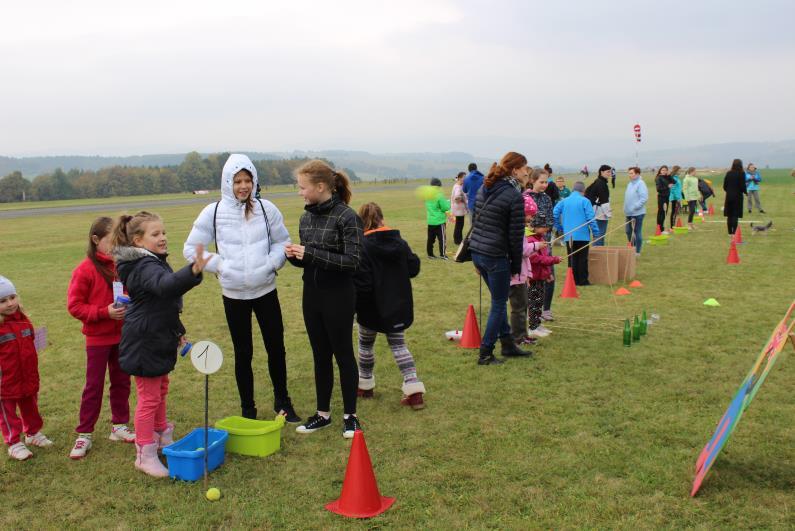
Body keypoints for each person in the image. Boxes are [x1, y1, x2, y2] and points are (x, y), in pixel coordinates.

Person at [183, 154, 299, 423]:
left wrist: (272, 263)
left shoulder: (267, 209)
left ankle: (283, 402)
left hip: (266, 290)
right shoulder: (212, 212)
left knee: (276, 348)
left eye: (247, 180)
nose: (243, 186)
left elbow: (283, 242)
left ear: (254, 181)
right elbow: (191, 249)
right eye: (237, 181)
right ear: (228, 183)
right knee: (243, 353)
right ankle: (248, 408)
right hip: (234, 295)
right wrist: (221, 265)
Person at [113, 211, 208, 477]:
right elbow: (165, 287)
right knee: (149, 397)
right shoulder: (143, 266)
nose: (163, 238)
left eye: (163, 232)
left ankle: (161, 435)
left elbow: (164, 304)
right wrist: (192, 270)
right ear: (138, 240)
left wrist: (178, 331)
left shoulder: (151, 260)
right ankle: (145, 453)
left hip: (158, 336)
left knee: (161, 389)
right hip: (144, 341)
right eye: (156, 234)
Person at [285, 160, 364, 438]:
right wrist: (294, 256)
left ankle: (350, 416)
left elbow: (353, 262)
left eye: (302, 187)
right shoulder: (305, 218)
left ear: (320, 187)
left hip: (339, 296)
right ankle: (323, 414)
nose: (300, 193)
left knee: (343, 354)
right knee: (320, 356)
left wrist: (310, 254)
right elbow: (309, 262)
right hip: (312, 296)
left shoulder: (347, 217)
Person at [66, 217, 135, 460]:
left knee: (122, 381)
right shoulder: (84, 270)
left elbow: (129, 292)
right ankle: (84, 433)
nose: (116, 245)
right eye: (111, 241)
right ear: (95, 240)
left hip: (122, 336)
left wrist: (127, 301)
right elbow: (74, 306)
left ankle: (119, 425)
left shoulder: (121, 266)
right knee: (93, 386)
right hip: (97, 339)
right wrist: (103, 312)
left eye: (119, 240)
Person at [354, 203, 426, 409]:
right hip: (397, 306)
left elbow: (364, 283)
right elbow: (413, 267)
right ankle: (414, 390)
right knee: (399, 346)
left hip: (371, 309)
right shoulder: (399, 242)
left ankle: (365, 385)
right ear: (382, 219)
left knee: (365, 346)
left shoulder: (363, 246)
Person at [469, 152, 532, 365]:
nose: (527, 171)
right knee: (498, 303)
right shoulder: (514, 196)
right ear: (515, 170)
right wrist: (516, 266)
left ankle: (507, 345)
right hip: (496, 255)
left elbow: (474, 218)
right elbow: (515, 236)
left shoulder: (485, 187)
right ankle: (485, 352)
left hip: (479, 252)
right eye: (525, 167)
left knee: (499, 300)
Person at [0, 276, 53, 461]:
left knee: (31, 407)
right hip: (5, 382)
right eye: (2, 301)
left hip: (27, 376)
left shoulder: (24, 321)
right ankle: (13, 442)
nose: (9, 304)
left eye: (12, 297)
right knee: (7, 414)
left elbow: (32, 342)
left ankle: (33, 433)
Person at [508, 194, 541, 347]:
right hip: (516, 276)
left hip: (520, 274)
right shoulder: (517, 229)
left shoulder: (517, 226)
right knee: (519, 308)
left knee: (522, 306)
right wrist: (536, 246)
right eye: (529, 214)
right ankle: (518, 337)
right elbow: (522, 251)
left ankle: (523, 335)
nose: (531, 218)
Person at [553, 182, 599, 286]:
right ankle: (582, 281)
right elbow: (591, 218)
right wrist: (596, 233)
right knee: (582, 259)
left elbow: (554, 214)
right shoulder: (585, 201)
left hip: (569, 235)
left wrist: (560, 228)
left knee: (572, 258)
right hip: (583, 235)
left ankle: (572, 280)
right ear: (583, 191)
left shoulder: (564, 201)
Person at [527, 168, 557, 321]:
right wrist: (534, 230)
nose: (545, 185)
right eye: (541, 182)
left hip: (545, 242)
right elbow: (523, 221)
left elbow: (551, 220)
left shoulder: (547, 198)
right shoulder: (525, 197)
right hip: (530, 244)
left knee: (549, 275)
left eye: (546, 182)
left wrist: (545, 230)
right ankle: (532, 312)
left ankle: (546, 310)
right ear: (532, 181)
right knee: (534, 278)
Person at [527, 211, 561, 338]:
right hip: (533, 277)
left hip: (541, 275)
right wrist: (554, 260)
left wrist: (548, 273)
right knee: (534, 302)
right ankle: (532, 327)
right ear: (535, 227)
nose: (546, 231)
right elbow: (535, 259)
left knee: (539, 301)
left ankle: (537, 324)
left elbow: (544, 256)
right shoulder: (530, 240)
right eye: (544, 228)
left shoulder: (540, 238)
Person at [623, 167, 648, 255]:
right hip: (628, 213)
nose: (630, 175)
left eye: (631, 173)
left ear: (637, 174)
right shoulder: (630, 184)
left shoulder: (641, 184)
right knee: (628, 231)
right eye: (629, 173)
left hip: (638, 213)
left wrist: (635, 207)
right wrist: (626, 208)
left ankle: (637, 251)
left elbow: (644, 198)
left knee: (637, 231)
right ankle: (632, 247)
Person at [585, 165, 612, 246]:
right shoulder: (601, 183)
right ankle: (597, 253)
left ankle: (600, 253)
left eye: (610, 172)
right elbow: (604, 201)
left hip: (595, 211)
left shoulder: (598, 181)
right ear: (602, 172)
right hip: (600, 213)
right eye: (608, 172)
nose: (609, 173)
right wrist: (609, 214)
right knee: (599, 234)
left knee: (599, 234)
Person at [425, 178, 451, 259]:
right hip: (439, 221)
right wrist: (448, 202)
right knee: (442, 238)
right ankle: (442, 254)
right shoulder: (439, 195)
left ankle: (430, 254)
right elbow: (445, 207)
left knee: (430, 239)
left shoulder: (427, 195)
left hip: (430, 221)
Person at [723, 159, 747, 235]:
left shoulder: (728, 173)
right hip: (738, 197)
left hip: (729, 196)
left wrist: (729, 191)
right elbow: (742, 186)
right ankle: (734, 233)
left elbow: (724, 186)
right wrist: (746, 192)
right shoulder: (742, 174)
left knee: (729, 215)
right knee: (735, 215)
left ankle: (729, 232)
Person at [654, 165, 673, 233]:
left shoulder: (666, 177)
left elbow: (674, 182)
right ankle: (660, 229)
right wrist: (668, 187)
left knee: (665, 212)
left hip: (667, 197)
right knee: (661, 212)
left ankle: (661, 228)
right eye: (663, 170)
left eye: (665, 170)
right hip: (661, 197)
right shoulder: (658, 178)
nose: (664, 171)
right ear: (660, 170)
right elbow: (658, 189)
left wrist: (669, 175)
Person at [450, 172, 468, 245]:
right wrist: (463, 199)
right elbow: (457, 198)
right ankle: (458, 240)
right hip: (458, 209)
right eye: (464, 177)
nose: (465, 179)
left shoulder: (458, 185)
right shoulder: (458, 187)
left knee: (459, 224)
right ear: (460, 178)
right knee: (459, 225)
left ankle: (458, 239)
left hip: (458, 209)